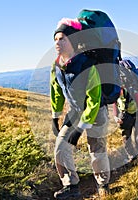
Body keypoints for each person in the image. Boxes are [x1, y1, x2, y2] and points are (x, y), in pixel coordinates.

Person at [50, 18, 110, 199]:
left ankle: (103, 184)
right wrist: (55, 116)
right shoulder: (57, 66)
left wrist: (81, 128)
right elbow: (56, 91)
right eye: (55, 39)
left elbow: (94, 99)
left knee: (97, 150)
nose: (57, 43)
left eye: (62, 39)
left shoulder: (86, 64)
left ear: (73, 41)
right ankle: (71, 186)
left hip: (96, 112)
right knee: (60, 147)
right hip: (75, 111)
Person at [113, 86, 138, 162]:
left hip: (137, 116)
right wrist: (115, 117)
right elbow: (115, 106)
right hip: (125, 117)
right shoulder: (114, 94)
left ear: (123, 87)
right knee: (126, 139)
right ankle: (132, 157)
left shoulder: (133, 92)